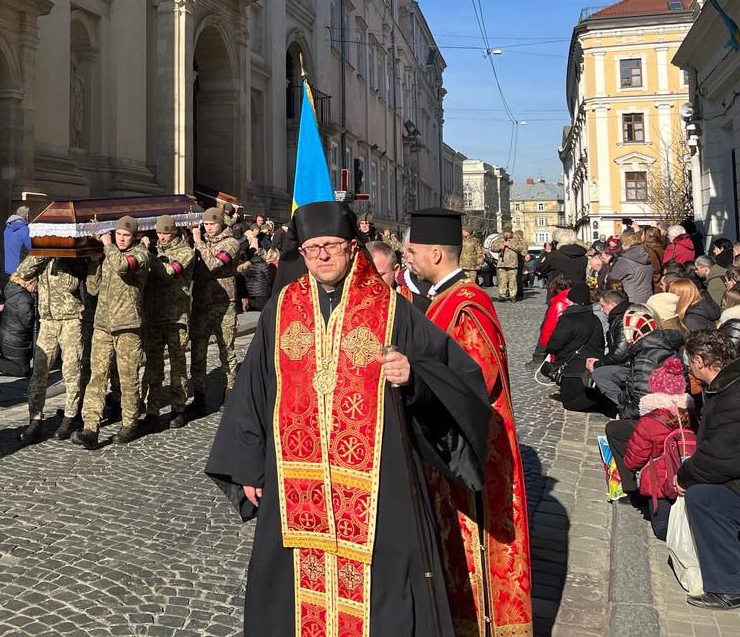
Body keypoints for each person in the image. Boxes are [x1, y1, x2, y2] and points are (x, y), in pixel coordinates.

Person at [205, 200, 490, 637]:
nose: (321, 256)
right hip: (294, 484)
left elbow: (459, 377)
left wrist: (414, 377)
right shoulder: (281, 309)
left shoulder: (392, 310)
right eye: (312, 248)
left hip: (377, 486)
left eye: (331, 246)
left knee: (384, 591)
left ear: (352, 247)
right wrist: (247, 465)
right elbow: (253, 389)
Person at [405, 207, 533, 635]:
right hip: (448, 442)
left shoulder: (465, 305)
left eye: (413, 252)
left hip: (472, 446)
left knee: (475, 543)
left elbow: (477, 380)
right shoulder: (443, 299)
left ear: (436, 254)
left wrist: (414, 380)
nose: (408, 259)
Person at [73, 217, 149, 449]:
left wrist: (107, 246)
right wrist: (95, 263)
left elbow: (123, 266)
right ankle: (90, 427)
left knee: (127, 378)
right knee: (97, 376)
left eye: (126, 235)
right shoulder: (110, 254)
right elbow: (92, 288)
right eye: (118, 235)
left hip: (128, 326)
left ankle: (130, 423)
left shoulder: (140, 255)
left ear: (134, 237)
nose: (121, 239)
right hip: (103, 325)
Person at [678, 330, 740, 610]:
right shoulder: (727, 384)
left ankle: (729, 586)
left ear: (700, 361)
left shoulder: (731, 394)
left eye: (690, 362)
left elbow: (720, 458)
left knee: (703, 497)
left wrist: (684, 476)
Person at [16, 254, 88, 444]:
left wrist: (65, 257)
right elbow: (23, 272)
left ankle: (70, 417)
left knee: (72, 372)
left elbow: (78, 279)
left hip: (71, 320)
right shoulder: (42, 258)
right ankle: (35, 420)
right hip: (47, 321)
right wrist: (43, 254)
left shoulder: (73, 258)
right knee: (39, 372)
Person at [621, 356, 694, 540]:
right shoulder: (691, 414)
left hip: (660, 486)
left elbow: (634, 460)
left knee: (662, 529)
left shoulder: (649, 421)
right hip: (688, 478)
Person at [142, 215, 195, 429]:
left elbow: (168, 272)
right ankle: (151, 410)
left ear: (174, 233)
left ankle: (178, 408)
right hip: (154, 316)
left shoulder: (185, 252)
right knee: (153, 366)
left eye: (166, 233)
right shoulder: (154, 250)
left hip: (176, 317)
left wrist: (148, 254)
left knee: (177, 365)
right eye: (159, 233)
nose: (162, 237)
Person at [187, 207, 241, 418]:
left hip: (223, 305)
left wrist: (198, 241)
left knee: (226, 350)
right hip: (201, 303)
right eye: (206, 224)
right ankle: (199, 396)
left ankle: (230, 393)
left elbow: (213, 264)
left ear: (221, 224)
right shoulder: (202, 243)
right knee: (197, 352)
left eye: (212, 224)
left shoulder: (231, 243)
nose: (208, 228)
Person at [542, 300, 606, 412]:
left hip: (571, 370)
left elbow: (555, 344)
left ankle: (600, 400)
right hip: (590, 369)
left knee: (570, 403)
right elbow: (600, 344)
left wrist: (550, 351)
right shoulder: (595, 319)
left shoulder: (568, 319)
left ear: (571, 301)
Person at [0, 270, 35, 378]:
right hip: (15, 338)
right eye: (36, 284)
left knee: (22, 366)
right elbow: (27, 322)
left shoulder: (13, 291)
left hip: (9, 335)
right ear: (29, 283)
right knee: (22, 370)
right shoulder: (24, 298)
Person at [608, 231, 653, 304]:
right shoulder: (647, 255)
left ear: (625, 244)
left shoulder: (625, 259)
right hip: (647, 296)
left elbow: (612, 277)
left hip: (631, 298)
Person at [495, 228, 523, 302]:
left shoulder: (516, 240)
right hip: (502, 264)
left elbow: (521, 248)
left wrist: (510, 245)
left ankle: (512, 295)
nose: (506, 234)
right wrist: (499, 247)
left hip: (512, 264)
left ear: (511, 233)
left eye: (508, 232)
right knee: (502, 281)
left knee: (512, 281)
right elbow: (492, 248)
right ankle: (502, 295)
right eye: (505, 232)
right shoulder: (499, 239)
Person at [3, 205, 32, 275]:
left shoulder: (7, 228)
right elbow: (31, 247)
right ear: (27, 216)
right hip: (20, 269)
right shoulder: (24, 229)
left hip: (9, 267)